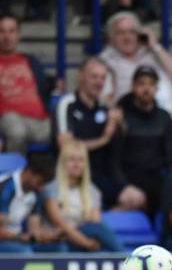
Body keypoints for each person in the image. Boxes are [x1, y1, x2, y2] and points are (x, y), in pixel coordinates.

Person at [54, 57, 145, 210]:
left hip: (106, 173)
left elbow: (122, 139)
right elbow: (66, 146)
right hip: (78, 173)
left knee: (138, 198)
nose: (99, 82)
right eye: (94, 77)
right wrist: (103, 139)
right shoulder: (67, 104)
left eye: (103, 78)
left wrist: (118, 123)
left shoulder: (106, 106)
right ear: (81, 76)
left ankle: (104, 219)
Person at [100, 11, 172, 125]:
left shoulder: (153, 53)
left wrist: (155, 46)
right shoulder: (105, 61)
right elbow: (103, 98)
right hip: (139, 122)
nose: (127, 37)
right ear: (111, 37)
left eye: (132, 32)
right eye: (120, 33)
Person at [117, 65, 172, 214]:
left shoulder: (164, 118)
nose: (146, 89)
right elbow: (114, 158)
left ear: (157, 89)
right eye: (141, 83)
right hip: (129, 178)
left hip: (156, 178)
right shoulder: (121, 117)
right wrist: (123, 185)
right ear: (133, 87)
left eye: (151, 84)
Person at [41, 141, 124, 252]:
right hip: (58, 239)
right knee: (64, 248)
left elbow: (95, 222)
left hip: (83, 236)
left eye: (81, 160)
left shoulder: (93, 190)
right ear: (63, 162)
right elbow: (60, 224)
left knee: (97, 229)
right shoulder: (51, 188)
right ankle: (125, 258)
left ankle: (123, 258)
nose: (76, 164)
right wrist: (87, 243)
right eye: (72, 160)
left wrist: (88, 242)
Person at [0, 11, 51, 154]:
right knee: (17, 131)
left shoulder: (30, 61)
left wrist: (56, 84)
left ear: (18, 35)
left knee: (69, 130)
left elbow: (46, 86)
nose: (7, 36)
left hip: (41, 121)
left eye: (12, 31)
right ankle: (16, 175)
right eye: (2, 31)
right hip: (9, 120)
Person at [0, 156, 57, 253]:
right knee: (25, 252)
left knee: (59, 249)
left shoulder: (35, 192)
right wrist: (21, 237)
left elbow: (34, 228)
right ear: (29, 172)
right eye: (39, 182)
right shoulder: (5, 188)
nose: (41, 188)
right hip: (5, 241)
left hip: (17, 240)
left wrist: (45, 235)